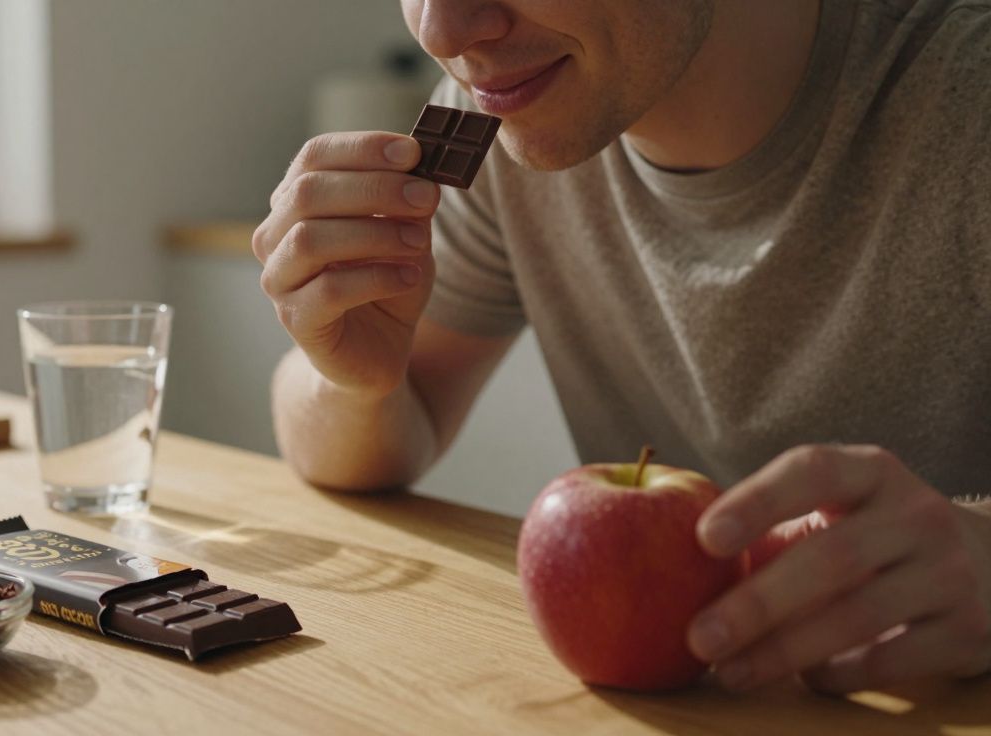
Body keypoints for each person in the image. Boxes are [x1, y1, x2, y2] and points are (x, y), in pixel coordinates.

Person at [253, 0, 990, 693]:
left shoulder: (967, 101)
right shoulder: (503, 113)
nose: (441, 32)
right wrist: (355, 377)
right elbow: (373, 434)